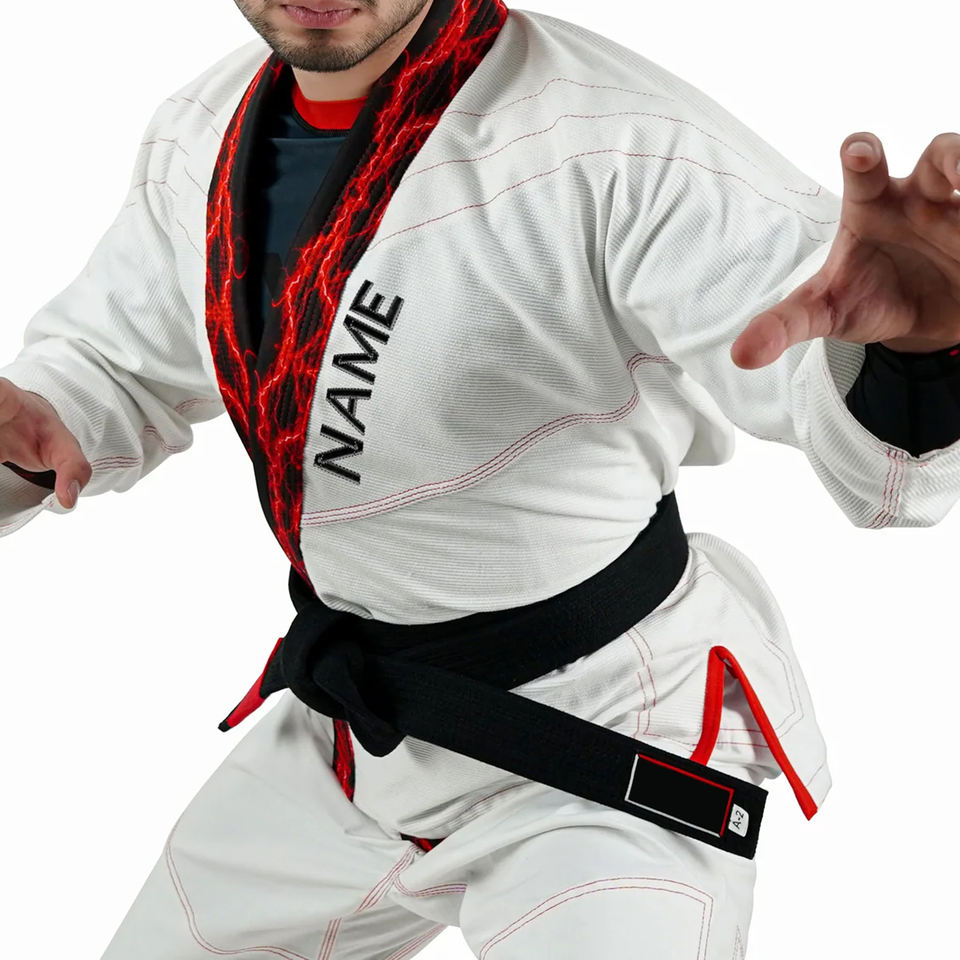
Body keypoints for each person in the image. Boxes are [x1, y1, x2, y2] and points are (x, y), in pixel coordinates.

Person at [2, 0, 960, 957]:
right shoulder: (202, 130)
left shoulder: (616, 140)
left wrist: (922, 356)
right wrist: (31, 432)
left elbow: (841, 398)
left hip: (602, 738)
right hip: (357, 730)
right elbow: (111, 362)